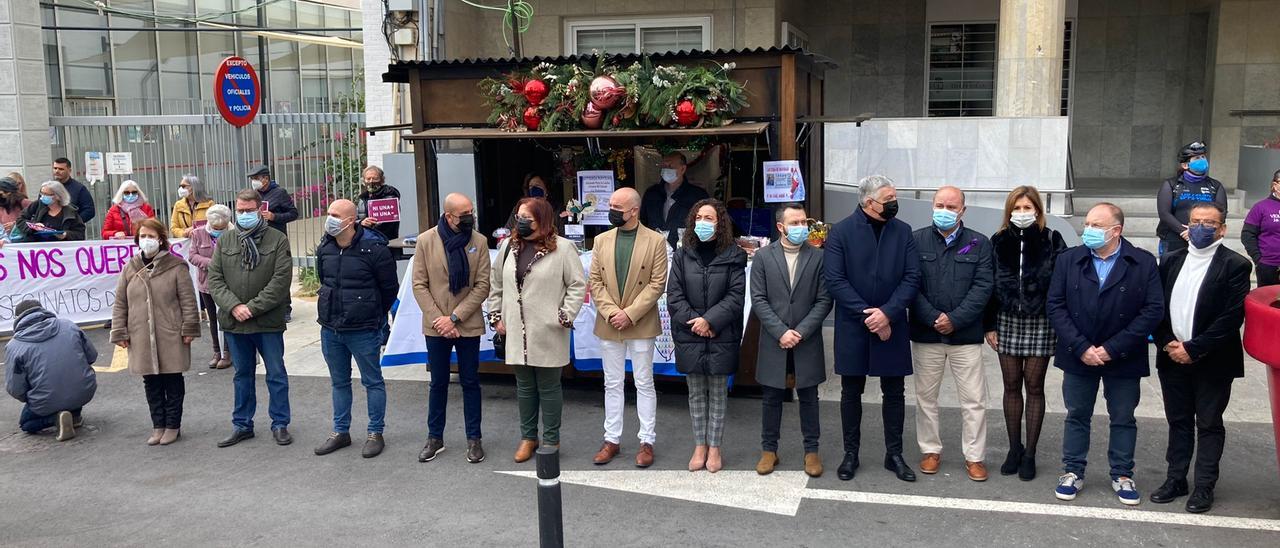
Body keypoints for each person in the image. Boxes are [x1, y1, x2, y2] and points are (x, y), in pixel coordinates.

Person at [1047, 203, 1163, 506]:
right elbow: (1055, 305)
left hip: (1123, 357)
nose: (1089, 230)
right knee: (1076, 415)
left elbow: (1153, 310)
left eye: (1097, 225)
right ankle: (1072, 470)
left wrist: (1112, 349)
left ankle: (1123, 474)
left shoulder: (1143, 262)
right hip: (1078, 354)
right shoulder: (1068, 259)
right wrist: (1082, 347)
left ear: (1117, 230)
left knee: (1123, 417)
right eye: (1087, 223)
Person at [1151, 203, 1252, 514]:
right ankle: (1175, 479)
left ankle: (1204, 486)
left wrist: (1193, 349)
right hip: (1172, 356)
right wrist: (1168, 342)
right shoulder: (1169, 260)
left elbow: (1230, 317)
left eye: (1209, 223)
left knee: (1208, 423)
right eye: (1195, 221)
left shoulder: (1236, 265)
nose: (1201, 227)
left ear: (1222, 229)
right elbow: (1156, 307)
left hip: (1213, 360)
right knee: (1178, 420)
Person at [824, 175, 921, 483]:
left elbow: (912, 278)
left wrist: (888, 314)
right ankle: (850, 453)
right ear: (868, 202)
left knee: (895, 391)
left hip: (892, 324)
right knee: (851, 391)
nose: (894, 203)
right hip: (855, 325)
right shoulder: (840, 232)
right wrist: (871, 317)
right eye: (888, 198)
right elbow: (835, 280)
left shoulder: (903, 231)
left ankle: (894, 454)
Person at [486, 197, 586, 463]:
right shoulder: (508, 246)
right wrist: (496, 316)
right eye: (519, 216)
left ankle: (551, 438)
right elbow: (495, 284)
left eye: (527, 218)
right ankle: (528, 437)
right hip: (516, 330)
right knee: (524, 386)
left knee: (550, 386)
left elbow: (577, 285)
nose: (521, 222)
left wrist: (564, 316)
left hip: (548, 329)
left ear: (542, 220)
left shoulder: (563, 249)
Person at [909, 186, 994, 482]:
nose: (945, 210)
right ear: (932, 206)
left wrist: (955, 320)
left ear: (963, 211)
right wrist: (933, 317)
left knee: (973, 400)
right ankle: (930, 451)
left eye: (952, 206)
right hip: (926, 333)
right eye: (940, 204)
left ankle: (975, 457)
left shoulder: (979, 243)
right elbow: (910, 284)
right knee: (925, 398)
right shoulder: (915, 240)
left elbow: (983, 288)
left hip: (965, 336)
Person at [983, 185, 1067, 481]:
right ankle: (1013, 448)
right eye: (1016, 209)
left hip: (1041, 321)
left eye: (1027, 208)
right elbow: (989, 285)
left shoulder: (1052, 240)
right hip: (1006, 319)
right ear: (1009, 212)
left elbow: (1062, 283)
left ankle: (1030, 453)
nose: (1022, 213)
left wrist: (1059, 323)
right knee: (1010, 386)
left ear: (1037, 211)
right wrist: (988, 324)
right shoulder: (998, 240)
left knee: (1033, 386)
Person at [207, 188, 294, 448]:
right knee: (242, 375)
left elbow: (280, 282)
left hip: (266, 322)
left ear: (260, 210)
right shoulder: (226, 241)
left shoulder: (277, 240)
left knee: (276, 374)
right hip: (236, 323)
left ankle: (280, 423)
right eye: (240, 210)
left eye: (248, 210)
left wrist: (252, 308)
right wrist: (234, 306)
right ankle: (242, 424)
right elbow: (215, 279)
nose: (243, 215)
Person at [588, 187, 669, 468]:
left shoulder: (655, 241)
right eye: (611, 205)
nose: (611, 211)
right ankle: (611, 439)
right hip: (610, 321)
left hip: (641, 321)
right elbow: (595, 282)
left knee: (644, 382)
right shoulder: (601, 240)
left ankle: (647, 440)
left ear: (634, 211)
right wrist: (613, 313)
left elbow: (657, 284)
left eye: (617, 207)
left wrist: (630, 314)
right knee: (612, 382)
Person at [313, 199, 399, 459]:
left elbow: (389, 289)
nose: (330, 219)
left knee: (372, 381)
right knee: (339, 382)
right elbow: (323, 280)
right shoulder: (325, 247)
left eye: (336, 215)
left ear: (351, 220)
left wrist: (372, 313)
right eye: (329, 214)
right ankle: (341, 431)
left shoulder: (374, 248)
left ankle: (375, 432)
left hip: (363, 329)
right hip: (330, 328)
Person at [750, 203, 832, 477]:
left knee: (809, 397)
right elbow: (759, 300)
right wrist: (781, 331)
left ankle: (811, 451)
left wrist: (801, 331)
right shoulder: (763, 257)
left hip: (806, 339)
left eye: (803, 222)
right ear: (780, 227)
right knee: (771, 397)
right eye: (794, 223)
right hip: (775, 339)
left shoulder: (818, 257)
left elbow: (824, 300)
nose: (801, 228)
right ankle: (768, 450)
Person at [667, 198, 747, 473]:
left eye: (709, 218)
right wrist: (696, 322)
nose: (703, 223)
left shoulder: (734, 255)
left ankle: (715, 447)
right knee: (695, 393)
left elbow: (736, 297)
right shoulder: (682, 254)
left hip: (720, 332)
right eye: (699, 217)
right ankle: (699, 445)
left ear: (720, 222)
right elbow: (674, 295)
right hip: (690, 332)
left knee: (718, 393)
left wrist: (710, 320)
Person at [413, 193, 492, 464]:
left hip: (466, 323)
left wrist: (455, 318)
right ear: (449, 216)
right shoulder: (426, 241)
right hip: (436, 326)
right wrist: (440, 320)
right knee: (438, 382)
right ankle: (435, 437)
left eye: (471, 211)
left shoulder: (478, 241)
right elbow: (419, 285)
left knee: (470, 381)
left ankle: (474, 439)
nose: (470, 217)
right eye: (464, 213)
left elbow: (483, 286)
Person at [110, 219, 200, 446]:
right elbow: (121, 302)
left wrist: (189, 327)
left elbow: (188, 301)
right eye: (142, 236)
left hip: (170, 332)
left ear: (161, 239)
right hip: (140, 333)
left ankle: (173, 426)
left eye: (151, 236)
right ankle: (158, 425)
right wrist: (120, 331)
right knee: (151, 382)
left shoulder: (176, 266)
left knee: (172, 380)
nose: (146, 240)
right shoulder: (130, 267)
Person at [5, 300, 98, 441]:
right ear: (42, 310)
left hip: (46, 399)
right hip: (84, 391)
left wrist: (31, 398)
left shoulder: (14, 345)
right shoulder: (69, 325)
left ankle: (56, 419)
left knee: (26, 424)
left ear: (18, 318)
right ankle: (74, 414)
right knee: (69, 387)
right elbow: (92, 356)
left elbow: (15, 388)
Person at [1157, 142, 1228, 258]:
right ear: (1185, 165)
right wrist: (1186, 232)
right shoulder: (1171, 185)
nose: (1202, 160)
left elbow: (1221, 213)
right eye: (1197, 158)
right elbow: (1164, 214)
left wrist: (1199, 232)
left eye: (1203, 157)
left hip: (1206, 240)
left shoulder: (1215, 186)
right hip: (1174, 240)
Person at [187, 204, 233, 369]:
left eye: (221, 228)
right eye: (214, 227)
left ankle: (228, 352)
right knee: (213, 318)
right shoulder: (198, 233)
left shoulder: (234, 233)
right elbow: (192, 256)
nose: (217, 230)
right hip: (206, 283)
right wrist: (211, 264)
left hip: (228, 284)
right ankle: (217, 351)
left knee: (227, 318)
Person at [639, 152, 710, 248]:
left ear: (683, 169)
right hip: (655, 250)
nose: (666, 169)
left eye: (670, 166)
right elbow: (644, 223)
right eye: (664, 166)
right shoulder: (651, 194)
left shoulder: (697, 195)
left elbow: (705, 225)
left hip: (686, 252)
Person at [1241, 168, 1280, 287]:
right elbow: (1247, 235)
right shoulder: (1261, 207)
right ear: (1275, 185)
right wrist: (1258, 259)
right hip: (1268, 266)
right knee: (1268, 303)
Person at [356, 165, 404, 259]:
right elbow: (355, 219)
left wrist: (370, 225)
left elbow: (389, 222)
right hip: (365, 244)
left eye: (375, 178)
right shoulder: (362, 199)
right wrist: (361, 223)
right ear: (363, 180)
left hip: (385, 245)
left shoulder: (390, 196)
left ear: (382, 180)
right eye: (368, 178)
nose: (371, 182)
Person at [19, 180, 86, 241]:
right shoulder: (37, 205)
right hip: (38, 248)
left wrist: (66, 235)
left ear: (58, 196)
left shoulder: (70, 212)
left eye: (46, 194)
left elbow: (80, 233)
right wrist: (33, 226)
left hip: (61, 249)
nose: (42, 196)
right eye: (41, 193)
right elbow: (20, 219)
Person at [246, 165, 299, 235]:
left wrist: (274, 216)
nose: (253, 181)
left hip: (276, 236)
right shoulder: (254, 194)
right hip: (257, 234)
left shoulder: (280, 192)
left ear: (266, 179)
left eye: (256, 178)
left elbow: (293, 214)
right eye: (252, 179)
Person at [170, 174, 215, 238]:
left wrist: (195, 229)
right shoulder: (178, 205)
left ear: (194, 187)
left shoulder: (209, 204)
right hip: (186, 243)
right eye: (180, 186)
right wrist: (184, 233)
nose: (180, 189)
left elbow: (213, 223)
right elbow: (173, 228)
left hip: (205, 241)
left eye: (183, 186)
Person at [51, 157, 95, 223]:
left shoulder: (79, 189)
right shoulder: (48, 188)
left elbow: (89, 211)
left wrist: (74, 223)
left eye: (61, 169)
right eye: (55, 168)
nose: (57, 171)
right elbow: (40, 209)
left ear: (69, 170)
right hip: (50, 229)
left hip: (71, 231)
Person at [0, 176, 29, 246]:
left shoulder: (24, 203)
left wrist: (16, 225)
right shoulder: (2, 206)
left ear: (8, 192)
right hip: (6, 243)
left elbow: (36, 222)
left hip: (24, 243)